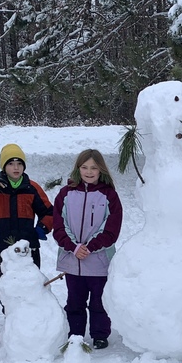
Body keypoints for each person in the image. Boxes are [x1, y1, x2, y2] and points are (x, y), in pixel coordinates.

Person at [53, 149, 123, 349]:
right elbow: (59, 225)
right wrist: (74, 247)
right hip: (72, 260)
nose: (89, 171)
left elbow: (111, 229)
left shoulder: (109, 195)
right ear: (78, 169)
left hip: (99, 261)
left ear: (101, 170)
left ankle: (100, 334)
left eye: (94, 167)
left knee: (99, 302)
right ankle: (75, 334)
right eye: (84, 167)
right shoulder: (65, 194)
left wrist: (90, 247)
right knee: (75, 301)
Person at [0, 143, 54, 279]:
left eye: (19, 163)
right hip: (4, 246)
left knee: (31, 284)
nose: (16, 167)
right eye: (11, 163)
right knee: (7, 285)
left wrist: (42, 228)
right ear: (4, 166)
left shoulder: (32, 188)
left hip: (28, 247)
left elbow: (49, 212)